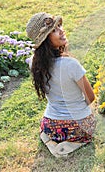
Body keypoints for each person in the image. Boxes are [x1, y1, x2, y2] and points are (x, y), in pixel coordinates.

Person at [26, 12, 96, 157]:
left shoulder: (34, 62)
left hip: (51, 126)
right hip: (79, 127)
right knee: (89, 126)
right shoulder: (71, 64)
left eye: (59, 26)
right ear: (45, 40)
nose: (61, 30)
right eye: (54, 30)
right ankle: (75, 143)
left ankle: (51, 142)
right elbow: (90, 97)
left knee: (44, 131)